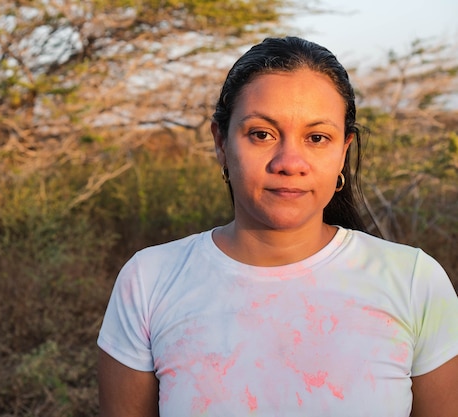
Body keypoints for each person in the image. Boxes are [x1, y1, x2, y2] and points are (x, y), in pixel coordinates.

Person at [96, 36, 458, 417]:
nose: (289, 162)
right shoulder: (149, 281)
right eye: (261, 134)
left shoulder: (414, 282)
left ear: (343, 152)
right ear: (221, 143)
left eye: (317, 138)